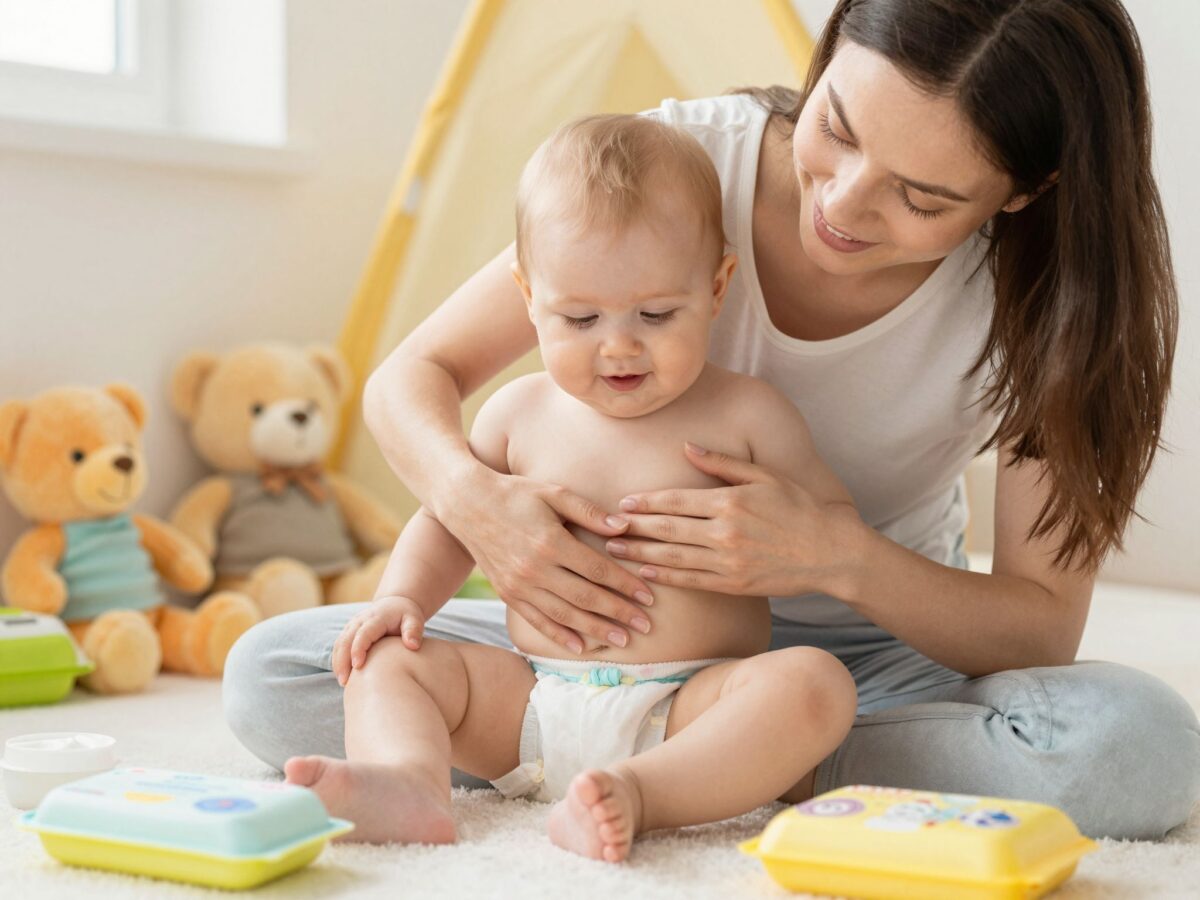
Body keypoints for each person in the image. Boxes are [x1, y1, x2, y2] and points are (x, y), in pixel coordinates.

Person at [224, 0, 1200, 840]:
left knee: (1131, 748)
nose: (845, 205)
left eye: (922, 196)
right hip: (587, 636)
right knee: (278, 669)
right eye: (839, 128)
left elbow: (1038, 629)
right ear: (820, 60)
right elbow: (414, 378)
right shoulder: (679, 171)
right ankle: (676, 766)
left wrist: (835, 557)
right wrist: (479, 506)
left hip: (863, 660)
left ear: (1024, 195)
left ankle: (729, 762)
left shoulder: (1050, 305)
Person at [283, 114, 858, 861]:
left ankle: (644, 793)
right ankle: (408, 783)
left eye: (656, 314)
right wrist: (401, 600)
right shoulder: (516, 414)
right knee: (382, 659)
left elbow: (833, 530)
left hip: (690, 705)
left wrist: (799, 537)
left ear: (716, 288)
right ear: (527, 296)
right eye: (579, 317)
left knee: (815, 686)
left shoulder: (750, 415)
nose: (618, 344)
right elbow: (448, 519)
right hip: (527, 699)